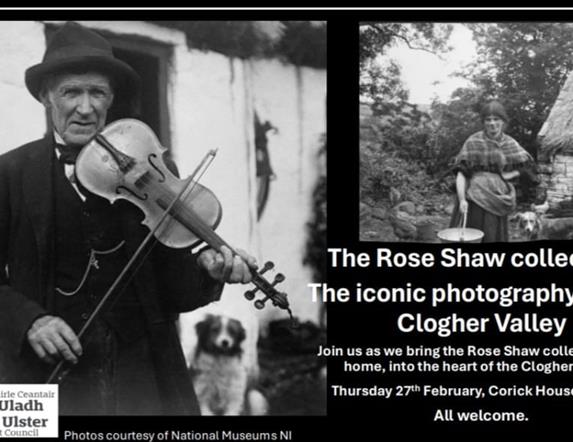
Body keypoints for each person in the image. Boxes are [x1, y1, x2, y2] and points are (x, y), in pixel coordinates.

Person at [0, 21, 257, 415]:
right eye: (71, 92)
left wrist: (207, 267)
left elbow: (174, 289)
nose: (85, 107)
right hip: (39, 372)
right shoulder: (10, 173)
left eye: (97, 92)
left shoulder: (150, 172)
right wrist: (31, 322)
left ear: (110, 98)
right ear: (46, 97)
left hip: (141, 371)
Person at [450, 100, 535, 242]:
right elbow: (461, 173)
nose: (492, 123)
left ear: (503, 121)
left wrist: (509, 175)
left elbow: (528, 168)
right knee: (472, 235)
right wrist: (462, 199)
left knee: (493, 235)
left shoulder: (510, 143)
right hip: (474, 198)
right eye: (488, 120)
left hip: (498, 198)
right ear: (483, 122)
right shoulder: (473, 141)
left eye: (496, 119)